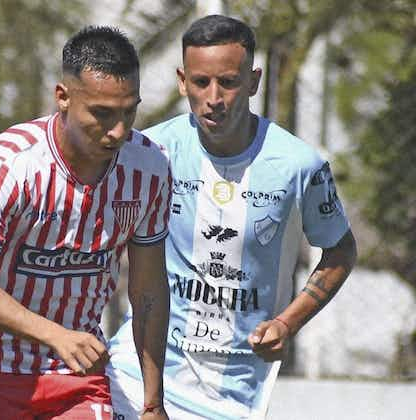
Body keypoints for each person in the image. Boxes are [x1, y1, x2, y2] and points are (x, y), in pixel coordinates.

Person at [107, 15, 357, 420]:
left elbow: (340, 250)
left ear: (254, 82)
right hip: (136, 372)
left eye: (228, 82)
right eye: (201, 82)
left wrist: (288, 323)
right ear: (181, 80)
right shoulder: (150, 151)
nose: (214, 97)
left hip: (236, 394)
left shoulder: (299, 165)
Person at [0, 26, 171, 420]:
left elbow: (148, 289)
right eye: (102, 114)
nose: (118, 130)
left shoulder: (150, 168)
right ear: (63, 97)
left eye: (129, 112)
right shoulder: (11, 163)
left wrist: (153, 402)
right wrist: (56, 335)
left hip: (77, 372)